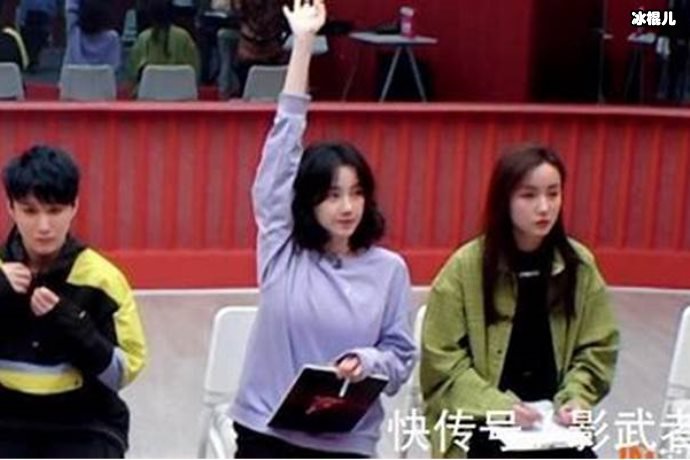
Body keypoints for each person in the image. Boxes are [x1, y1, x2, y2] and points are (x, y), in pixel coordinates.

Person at [230, 0, 416, 457]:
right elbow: (280, 155)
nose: (347, 207)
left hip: (347, 440)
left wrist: (366, 362)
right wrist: (303, 44)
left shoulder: (389, 270)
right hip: (266, 432)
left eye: (356, 193)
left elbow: (400, 357)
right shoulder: (283, 250)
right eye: (332, 195)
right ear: (309, 201)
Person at [420, 145, 619, 458]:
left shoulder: (579, 266)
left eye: (553, 194)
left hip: (553, 422)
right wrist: (500, 408)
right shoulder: (465, 268)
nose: (544, 207)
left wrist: (576, 398)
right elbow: (441, 361)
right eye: (528, 195)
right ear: (505, 200)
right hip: (480, 419)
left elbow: (598, 348)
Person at [0, 146, 147, 458]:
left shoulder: (103, 280)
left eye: (54, 211)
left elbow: (122, 375)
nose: (43, 226)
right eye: (30, 211)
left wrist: (76, 325)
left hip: (85, 422)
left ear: (74, 207)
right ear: (10, 208)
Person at [128, 0, 200, 84]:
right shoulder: (184, 37)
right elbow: (195, 72)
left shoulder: (142, 38)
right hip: (181, 90)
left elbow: (133, 75)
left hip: (149, 90)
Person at [63, 0, 121, 69]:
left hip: (73, 76)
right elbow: (114, 66)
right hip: (102, 76)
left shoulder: (74, 33)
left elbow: (71, 9)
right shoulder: (113, 38)